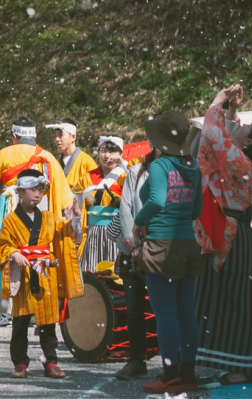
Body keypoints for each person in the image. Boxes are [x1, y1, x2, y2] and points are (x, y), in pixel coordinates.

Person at [194, 84, 252, 384]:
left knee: (227, 302)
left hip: (227, 237)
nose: (240, 125)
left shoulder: (237, 160)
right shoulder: (246, 163)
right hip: (239, 238)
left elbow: (215, 137)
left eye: (246, 127)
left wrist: (218, 100)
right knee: (239, 303)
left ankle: (236, 368)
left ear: (250, 141)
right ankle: (241, 366)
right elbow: (227, 138)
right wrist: (231, 110)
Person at [0, 116, 82, 327]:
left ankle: (4, 311)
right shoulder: (47, 157)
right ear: (35, 136)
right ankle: (34, 308)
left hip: (8, 210)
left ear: (14, 136)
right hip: (38, 207)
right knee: (35, 252)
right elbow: (64, 196)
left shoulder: (2, 155)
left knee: (6, 251)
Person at [133, 110, 203, 394]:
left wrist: (138, 223)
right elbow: (196, 210)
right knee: (187, 313)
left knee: (165, 315)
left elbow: (157, 201)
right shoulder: (193, 166)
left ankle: (170, 375)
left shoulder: (160, 166)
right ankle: (187, 374)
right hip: (188, 244)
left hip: (162, 245)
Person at [0, 168, 80, 379]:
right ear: (20, 192)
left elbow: (68, 234)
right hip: (23, 277)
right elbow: (1, 246)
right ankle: (20, 363)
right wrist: (13, 253)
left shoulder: (50, 218)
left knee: (48, 323)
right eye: (32, 190)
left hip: (44, 276)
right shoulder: (10, 221)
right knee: (20, 323)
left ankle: (51, 362)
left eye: (41, 189)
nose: (37, 194)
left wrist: (75, 217)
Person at [106, 147, 155, 380]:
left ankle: (171, 363)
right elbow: (125, 208)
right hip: (131, 248)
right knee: (134, 309)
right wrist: (134, 244)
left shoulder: (174, 170)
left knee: (163, 309)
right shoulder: (135, 171)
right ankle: (137, 361)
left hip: (158, 249)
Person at [78, 135, 127, 273]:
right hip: (92, 230)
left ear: (121, 154)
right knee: (91, 271)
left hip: (117, 231)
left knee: (114, 271)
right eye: (103, 150)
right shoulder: (86, 177)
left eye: (112, 152)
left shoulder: (126, 176)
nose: (107, 155)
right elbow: (76, 203)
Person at [47, 118, 97, 196]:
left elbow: (94, 192)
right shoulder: (55, 163)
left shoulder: (87, 162)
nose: (57, 139)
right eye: (55, 136)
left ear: (73, 137)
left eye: (61, 135)